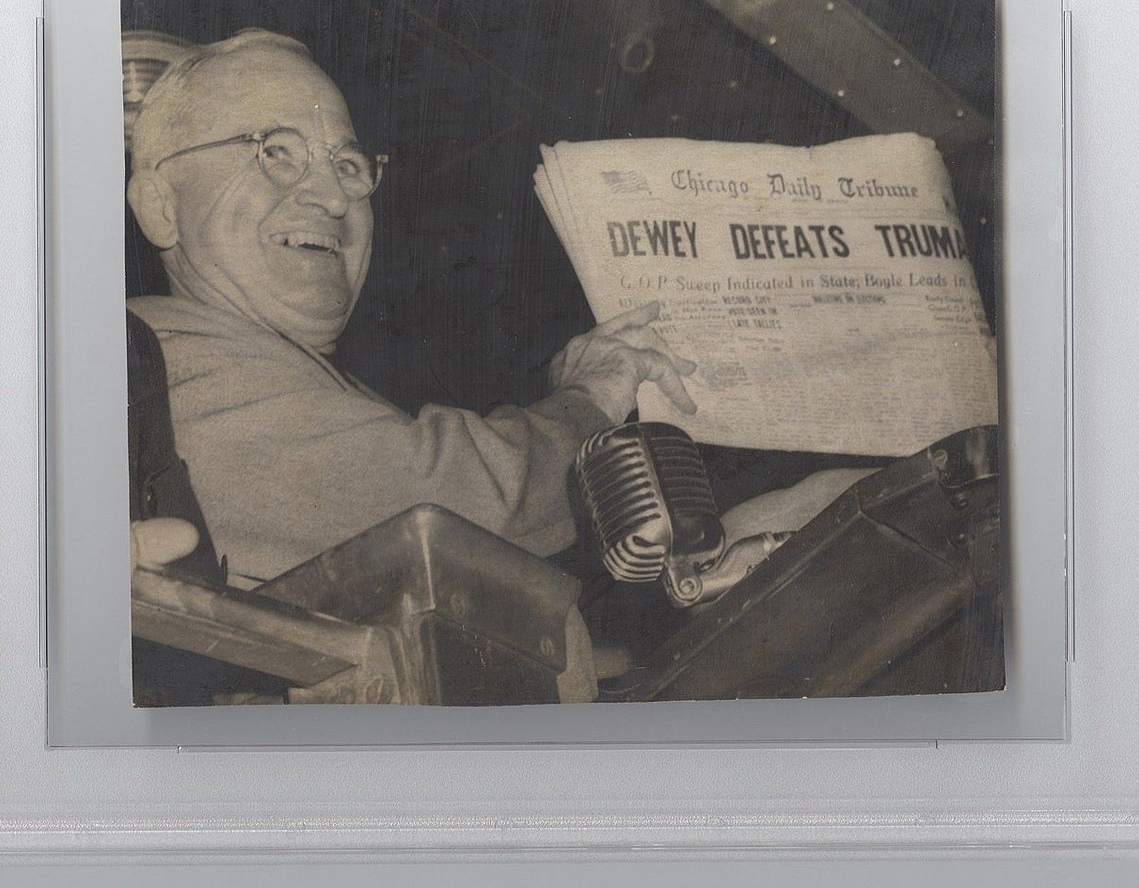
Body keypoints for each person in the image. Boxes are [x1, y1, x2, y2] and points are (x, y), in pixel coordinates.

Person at [126, 29, 705, 584]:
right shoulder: (146, 366)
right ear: (159, 206)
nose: (332, 198)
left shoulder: (307, 388)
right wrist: (587, 403)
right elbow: (454, 502)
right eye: (276, 151)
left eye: (349, 167)